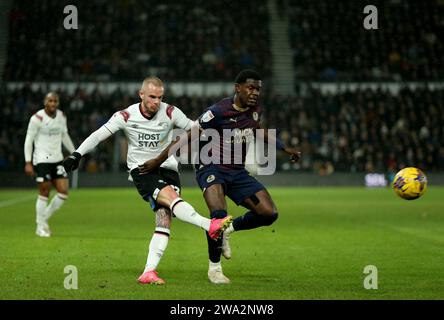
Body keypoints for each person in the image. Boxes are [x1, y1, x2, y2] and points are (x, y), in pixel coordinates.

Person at [62, 77, 232, 285]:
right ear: (141, 94)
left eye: (160, 97)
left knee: (164, 216)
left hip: (168, 168)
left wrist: (217, 135)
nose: (156, 102)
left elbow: (194, 128)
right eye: (152, 97)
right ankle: (210, 225)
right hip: (142, 169)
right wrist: (76, 154)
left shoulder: (170, 112)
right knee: (170, 199)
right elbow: (98, 135)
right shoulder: (125, 116)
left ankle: (148, 272)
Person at [142, 70, 300, 284]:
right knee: (218, 215)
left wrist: (284, 148)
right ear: (238, 88)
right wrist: (158, 161)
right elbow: (188, 136)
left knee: (268, 213)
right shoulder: (217, 111)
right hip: (211, 168)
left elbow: (256, 129)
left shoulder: (255, 110)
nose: (255, 93)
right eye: (250, 88)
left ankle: (229, 230)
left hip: (237, 172)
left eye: (258, 89)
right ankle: (214, 269)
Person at [24, 92, 76, 237]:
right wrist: (28, 161)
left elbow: (64, 135)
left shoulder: (61, 116)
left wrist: (74, 153)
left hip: (57, 159)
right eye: (50, 101)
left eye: (55, 101)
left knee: (63, 192)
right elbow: (29, 140)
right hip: (42, 159)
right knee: (44, 192)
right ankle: (40, 227)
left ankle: (42, 220)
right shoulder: (36, 118)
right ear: (45, 102)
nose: (53, 103)